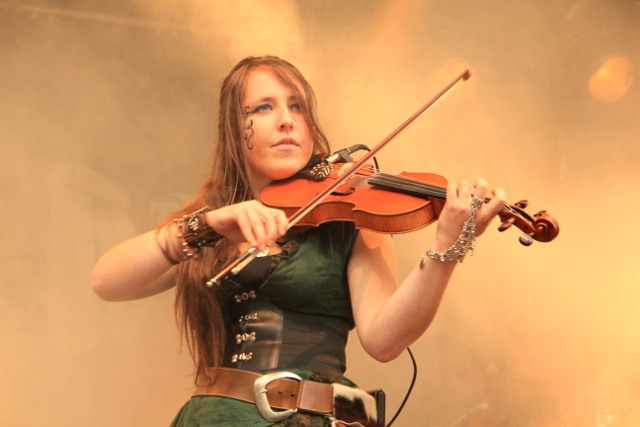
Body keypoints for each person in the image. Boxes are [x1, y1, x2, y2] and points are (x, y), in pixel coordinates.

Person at [91, 55, 506, 427]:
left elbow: (384, 340)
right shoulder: (211, 225)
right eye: (263, 107)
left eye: (297, 106)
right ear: (235, 132)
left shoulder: (351, 217)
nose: (287, 119)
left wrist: (450, 248)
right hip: (216, 419)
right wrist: (208, 224)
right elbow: (106, 282)